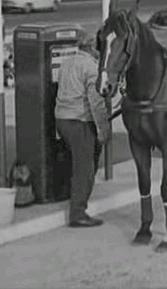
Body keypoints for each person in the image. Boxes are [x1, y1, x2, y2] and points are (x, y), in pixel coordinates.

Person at [55, 31, 110, 228]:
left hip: (61, 119)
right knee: (84, 168)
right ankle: (78, 214)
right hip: (79, 122)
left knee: (83, 160)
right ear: (93, 49)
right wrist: (103, 130)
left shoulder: (67, 63)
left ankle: (76, 198)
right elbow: (96, 104)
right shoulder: (91, 68)